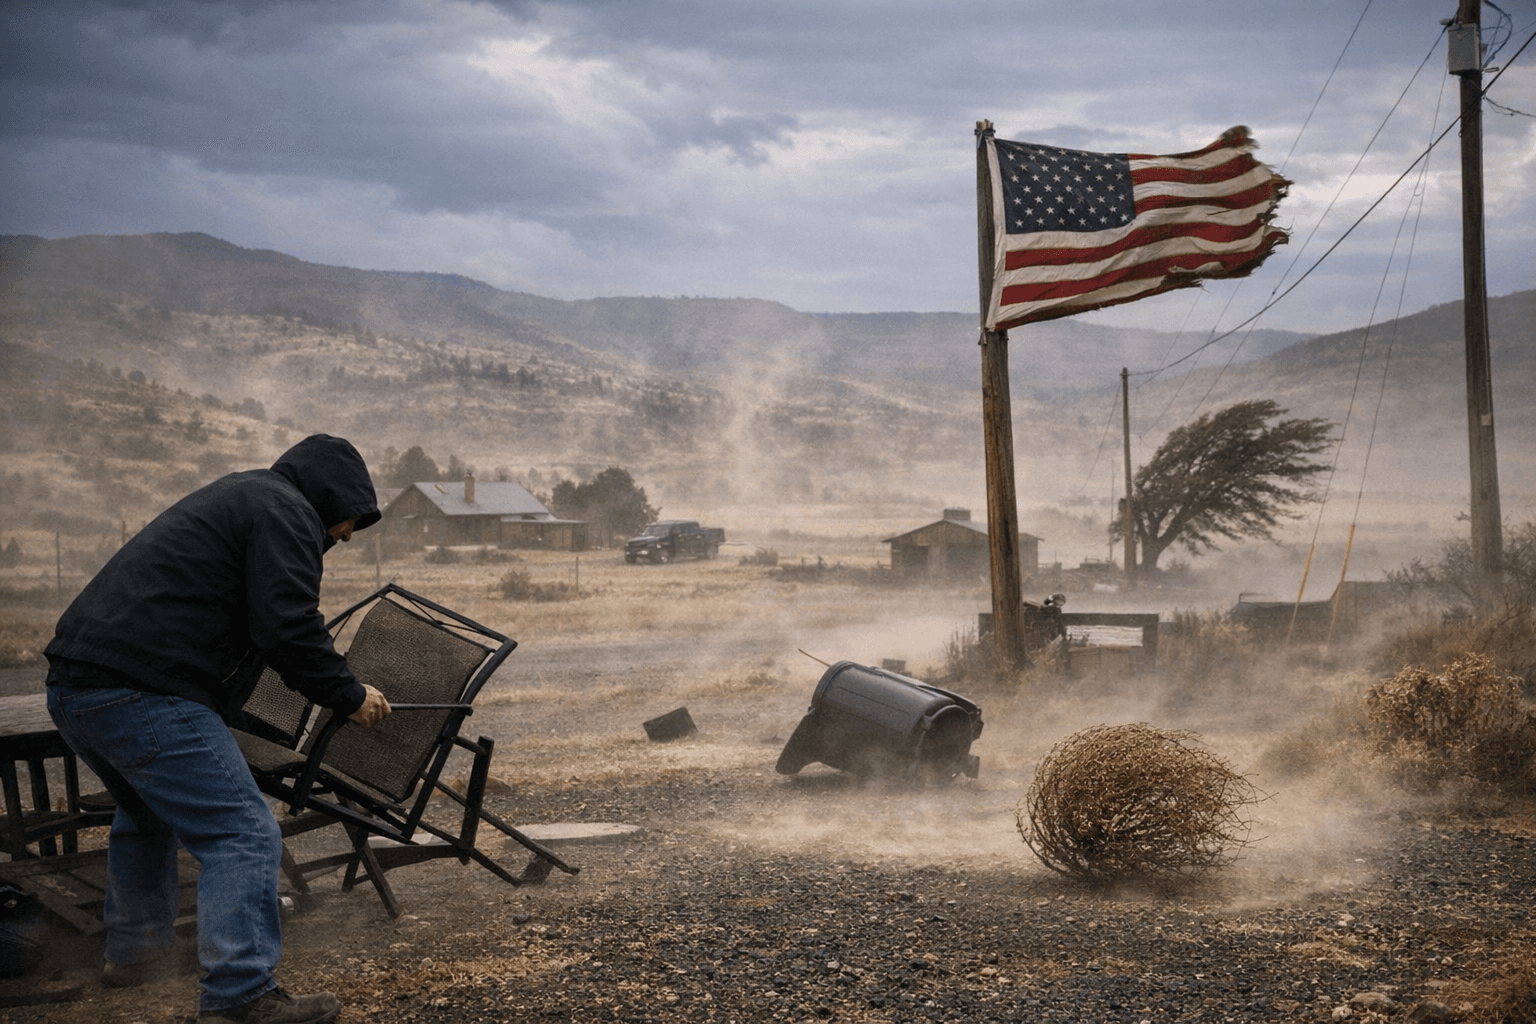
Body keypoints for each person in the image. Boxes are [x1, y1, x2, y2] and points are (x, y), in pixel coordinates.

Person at [45, 434, 392, 1024]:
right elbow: (286, 624)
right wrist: (349, 693)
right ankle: (239, 995)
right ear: (333, 495)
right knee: (243, 833)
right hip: (143, 690)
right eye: (351, 520)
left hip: (75, 688)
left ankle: (134, 955)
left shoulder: (244, 494)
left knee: (147, 814)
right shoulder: (286, 511)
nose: (347, 536)